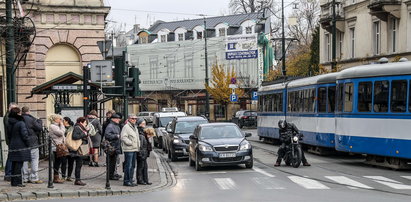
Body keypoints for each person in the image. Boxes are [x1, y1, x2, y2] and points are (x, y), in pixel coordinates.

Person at [8, 107, 31, 187]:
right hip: (20, 145)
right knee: (19, 164)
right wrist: (29, 144)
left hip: (13, 144)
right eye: (20, 112)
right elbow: (24, 135)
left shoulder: (10, 122)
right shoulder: (21, 123)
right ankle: (18, 182)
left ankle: (13, 182)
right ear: (18, 114)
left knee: (14, 164)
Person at [21, 106, 43, 184]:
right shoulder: (31, 119)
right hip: (32, 142)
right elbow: (40, 128)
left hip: (23, 143)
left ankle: (24, 178)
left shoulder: (19, 119)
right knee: (34, 160)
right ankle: (34, 177)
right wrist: (40, 120)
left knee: (24, 161)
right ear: (29, 111)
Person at [120, 114, 140, 186]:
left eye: (135, 119)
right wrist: (130, 143)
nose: (134, 120)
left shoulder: (135, 127)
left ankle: (130, 180)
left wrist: (138, 145)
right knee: (128, 165)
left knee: (132, 166)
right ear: (129, 119)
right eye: (132, 118)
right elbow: (123, 137)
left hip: (134, 149)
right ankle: (126, 181)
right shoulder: (126, 127)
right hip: (129, 149)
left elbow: (137, 137)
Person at [70, 117, 89, 186]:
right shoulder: (77, 127)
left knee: (79, 164)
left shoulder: (79, 127)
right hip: (77, 149)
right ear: (81, 122)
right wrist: (84, 134)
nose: (85, 124)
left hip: (78, 148)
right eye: (85, 123)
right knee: (78, 164)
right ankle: (77, 180)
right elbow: (75, 136)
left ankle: (77, 179)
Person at [49, 114, 66, 183]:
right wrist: (62, 125)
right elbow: (61, 133)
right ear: (55, 119)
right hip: (56, 146)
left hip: (60, 145)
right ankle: (56, 177)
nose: (61, 120)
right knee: (57, 162)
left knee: (59, 161)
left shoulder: (56, 126)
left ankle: (57, 177)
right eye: (59, 119)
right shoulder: (53, 126)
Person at [104, 113, 122, 180]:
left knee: (114, 162)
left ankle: (113, 174)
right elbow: (107, 135)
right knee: (111, 162)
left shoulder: (115, 125)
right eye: (117, 119)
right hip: (112, 146)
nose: (119, 120)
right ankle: (110, 175)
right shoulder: (110, 126)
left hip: (115, 146)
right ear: (113, 119)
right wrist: (116, 136)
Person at [3, 102, 18, 182]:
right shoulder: (8, 116)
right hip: (11, 139)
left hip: (12, 139)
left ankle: (10, 173)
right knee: (11, 157)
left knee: (11, 156)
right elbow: (9, 127)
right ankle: (8, 174)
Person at [137, 120, 153, 185]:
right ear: (140, 124)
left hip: (144, 152)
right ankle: (140, 180)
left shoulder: (143, 132)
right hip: (142, 152)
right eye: (143, 123)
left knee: (145, 166)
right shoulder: (140, 132)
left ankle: (145, 180)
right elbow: (140, 145)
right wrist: (140, 153)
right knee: (141, 166)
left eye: (145, 123)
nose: (144, 124)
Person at [61, 117, 74, 181]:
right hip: (64, 146)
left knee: (70, 162)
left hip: (70, 146)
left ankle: (69, 176)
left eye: (63, 121)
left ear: (67, 121)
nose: (62, 122)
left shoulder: (71, 128)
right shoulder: (61, 127)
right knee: (63, 162)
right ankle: (63, 176)